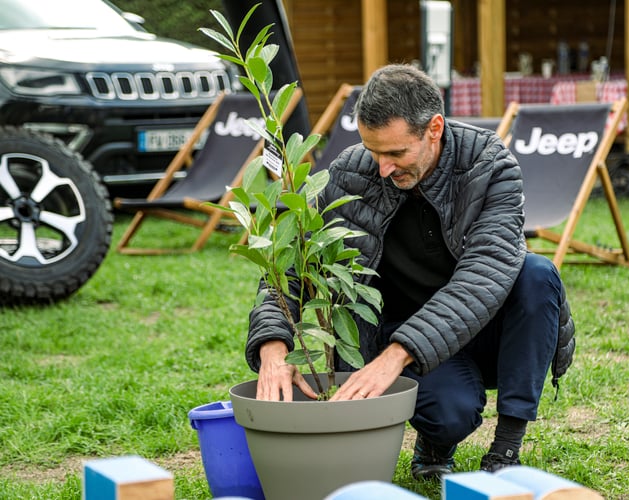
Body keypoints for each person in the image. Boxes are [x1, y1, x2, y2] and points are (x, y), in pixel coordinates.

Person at [245, 63, 575, 479]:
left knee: (537, 274)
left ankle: (505, 451)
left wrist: (393, 360)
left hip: (486, 329)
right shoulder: (349, 173)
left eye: (396, 153)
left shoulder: (489, 165)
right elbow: (294, 262)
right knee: (451, 413)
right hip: (400, 330)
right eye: (373, 151)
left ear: (434, 128)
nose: (382, 167)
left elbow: (483, 279)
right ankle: (437, 440)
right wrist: (273, 346)